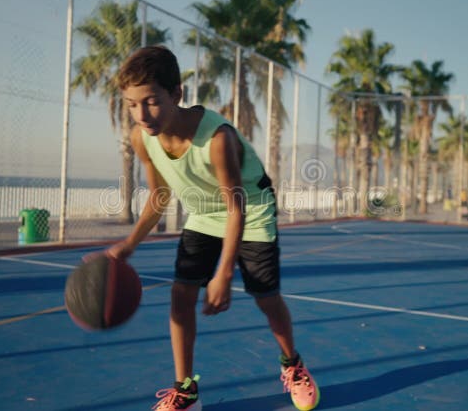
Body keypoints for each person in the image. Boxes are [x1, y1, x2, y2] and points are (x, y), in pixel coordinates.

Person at [105, 45, 320, 411]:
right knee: (181, 294)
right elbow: (159, 194)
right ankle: (186, 391)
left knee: (265, 297)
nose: (141, 114)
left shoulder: (217, 139)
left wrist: (223, 273)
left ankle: (293, 364)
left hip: (250, 210)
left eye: (151, 101)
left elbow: (236, 210)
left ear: (177, 94)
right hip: (205, 213)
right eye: (131, 103)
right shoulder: (143, 138)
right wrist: (130, 244)